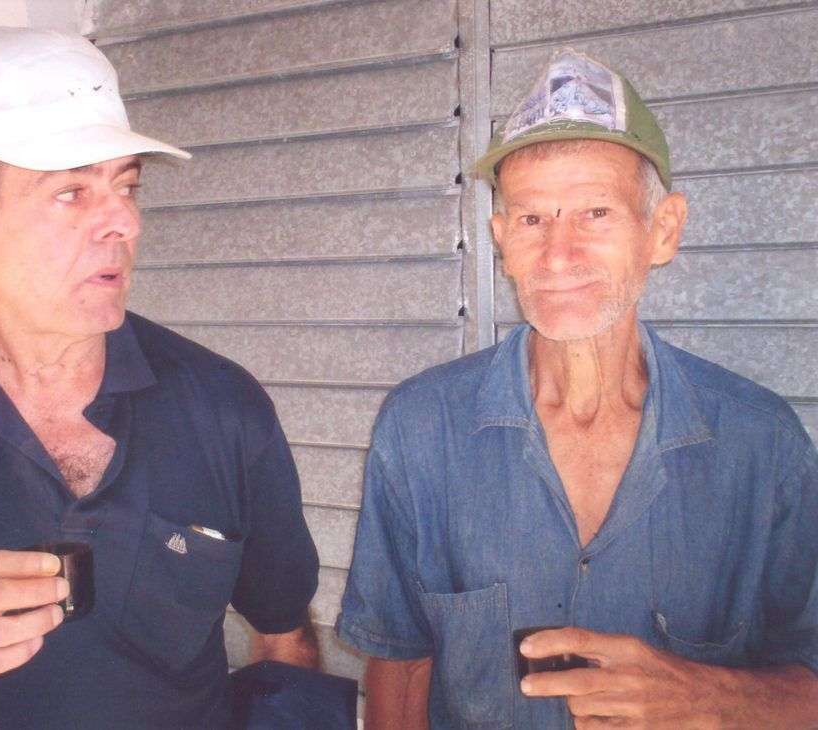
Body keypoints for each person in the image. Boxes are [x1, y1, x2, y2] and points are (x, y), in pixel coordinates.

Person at [0, 27, 319, 729]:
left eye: (126, 185)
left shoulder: (222, 404)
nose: (124, 222)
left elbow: (286, 641)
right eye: (72, 193)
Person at [336, 49, 818, 728]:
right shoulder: (421, 427)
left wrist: (710, 698)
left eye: (595, 213)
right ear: (501, 239)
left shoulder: (762, 444)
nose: (558, 256)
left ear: (663, 230)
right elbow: (400, 661)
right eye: (532, 219)